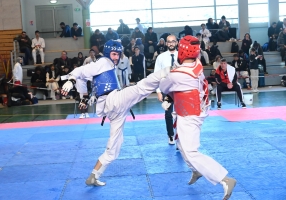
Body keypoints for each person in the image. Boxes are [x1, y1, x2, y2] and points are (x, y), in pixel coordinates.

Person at [61, 39, 171, 186]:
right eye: (114, 54)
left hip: (117, 110)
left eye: (118, 55)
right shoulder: (103, 62)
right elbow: (81, 71)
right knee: (141, 88)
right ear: (107, 53)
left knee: (114, 147)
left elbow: (86, 79)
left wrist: (85, 97)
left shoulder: (108, 67)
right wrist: (71, 80)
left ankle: (94, 176)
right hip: (113, 100)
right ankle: (172, 70)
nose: (116, 58)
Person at [159, 35, 237, 200]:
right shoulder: (198, 64)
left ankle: (224, 179)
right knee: (180, 143)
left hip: (190, 113)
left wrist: (169, 78)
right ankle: (196, 170)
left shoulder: (177, 74)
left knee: (191, 151)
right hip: (196, 108)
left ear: (181, 50)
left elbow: (164, 86)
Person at [154, 35, 178, 145]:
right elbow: (156, 75)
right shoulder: (161, 57)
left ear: (176, 42)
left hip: (179, 88)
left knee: (181, 114)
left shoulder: (181, 56)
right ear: (166, 43)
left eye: (173, 41)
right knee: (168, 113)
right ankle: (171, 135)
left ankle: (180, 136)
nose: (171, 43)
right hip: (167, 89)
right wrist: (158, 91)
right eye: (169, 42)